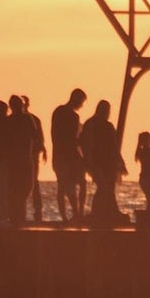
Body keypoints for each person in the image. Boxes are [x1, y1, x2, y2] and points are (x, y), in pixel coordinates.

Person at [79, 99, 125, 227]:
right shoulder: (97, 126)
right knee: (104, 187)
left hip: (104, 164)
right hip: (101, 163)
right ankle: (99, 212)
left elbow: (113, 146)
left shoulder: (93, 124)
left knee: (107, 188)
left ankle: (107, 212)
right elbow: (113, 147)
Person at [51, 88, 87, 224]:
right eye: (81, 102)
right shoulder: (73, 116)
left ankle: (66, 217)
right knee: (80, 183)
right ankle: (78, 213)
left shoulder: (57, 111)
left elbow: (54, 135)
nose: (81, 106)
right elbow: (72, 139)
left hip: (58, 154)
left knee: (63, 186)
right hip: (69, 155)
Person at [4, 95, 37, 226]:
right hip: (23, 159)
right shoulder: (27, 119)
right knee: (25, 188)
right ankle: (18, 217)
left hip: (14, 160)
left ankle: (15, 217)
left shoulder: (9, 120)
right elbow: (35, 136)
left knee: (15, 189)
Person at [20, 95, 47, 223]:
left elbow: (39, 137)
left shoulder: (33, 119)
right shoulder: (16, 119)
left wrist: (42, 149)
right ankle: (21, 211)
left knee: (33, 183)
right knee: (22, 183)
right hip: (20, 157)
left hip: (31, 156)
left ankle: (37, 211)